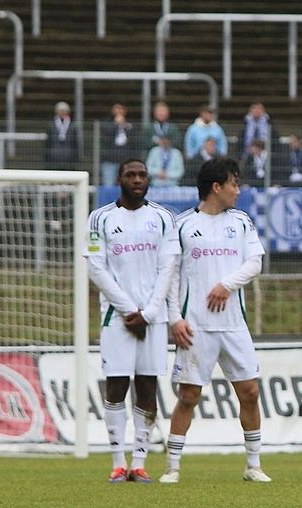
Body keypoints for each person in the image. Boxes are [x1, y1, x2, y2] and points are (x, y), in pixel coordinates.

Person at [160, 157, 270, 484]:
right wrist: (174, 319)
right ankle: (172, 467)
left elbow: (255, 263)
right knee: (189, 396)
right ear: (217, 187)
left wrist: (227, 285)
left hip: (234, 325)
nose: (238, 190)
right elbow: (172, 277)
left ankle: (253, 465)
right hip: (196, 326)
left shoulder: (241, 221)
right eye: (234, 183)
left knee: (249, 392)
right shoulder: (181, 225)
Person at [85, 159, 179, 483]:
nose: (137, 179)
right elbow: (96, 268)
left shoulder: (163, 218)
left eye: (142, 175)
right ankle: (116, 462)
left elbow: (168, 267)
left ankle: (139, 463)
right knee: (116, 385)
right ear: (120, 180)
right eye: (130, 174)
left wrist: (150, 312)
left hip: (153, 317)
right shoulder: (100, 218)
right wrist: (128, 309)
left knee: (147, 385)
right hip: (117, 317)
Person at [100, 103, 138, 186]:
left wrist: (123, 125)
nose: (119, 111)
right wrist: (116, 124)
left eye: (121, 109)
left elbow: (134, 141)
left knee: (127, 185)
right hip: (110, 160)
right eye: (116, 108)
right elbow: (106, 134)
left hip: (126, 161)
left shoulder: (130, 125)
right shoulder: (106, 123)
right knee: (108, 185)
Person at [44, 101, 79, 170]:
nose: (62, 113)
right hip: (54, 158)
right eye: (61, 111)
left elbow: (75, 143)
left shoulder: (72, 126)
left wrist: (75, 158)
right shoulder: (51, 126)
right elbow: (48, 143)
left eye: (64, 111)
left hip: (69, 158)